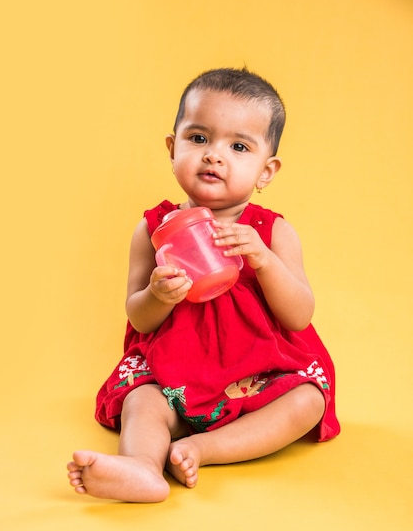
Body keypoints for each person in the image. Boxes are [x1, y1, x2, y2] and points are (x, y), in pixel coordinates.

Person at [67, 67, 340, 502]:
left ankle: (199, 448)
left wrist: (263, 261)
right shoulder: (154, 229)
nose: (214, 155)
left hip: (257, 376)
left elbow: (299, 315)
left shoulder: (272, 233)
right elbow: (137, 315)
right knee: (144, 401)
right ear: (173, 148)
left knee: (308, 401)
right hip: (175, 375)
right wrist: (158, 294)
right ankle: (143, 467)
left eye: (238, 146)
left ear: (266, 171)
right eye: (198, 139)